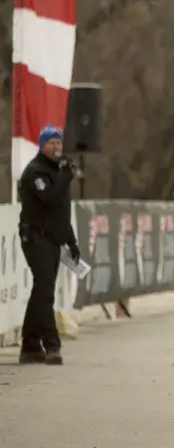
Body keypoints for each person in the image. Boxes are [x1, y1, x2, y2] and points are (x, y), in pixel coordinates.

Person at [17, 125, 81, 366]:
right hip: (36, 239)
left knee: (41, 292)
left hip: (52, 238)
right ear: (42, 146)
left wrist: (71, 239)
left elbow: (61, 210)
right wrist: (65, 176)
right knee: (45, 293)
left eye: (59, 142)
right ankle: (51, 344)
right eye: (52, 143)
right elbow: (51, 198)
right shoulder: (35, 172)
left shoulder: (57, 172)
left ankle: (30, 345)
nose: (57, 147)